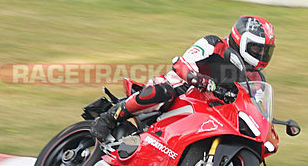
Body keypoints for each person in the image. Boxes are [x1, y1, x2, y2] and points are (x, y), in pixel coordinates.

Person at [90, 15, 275, 142]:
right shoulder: (213, 43)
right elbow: (181, 64)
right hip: (180, 91)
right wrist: (196, 78)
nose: (261, 54)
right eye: (257, 48)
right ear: (241, 40)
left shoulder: (256, 78)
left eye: (265, 51)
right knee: (164, 92)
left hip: (208, 111)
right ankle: (108, 118)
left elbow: (253, 106)